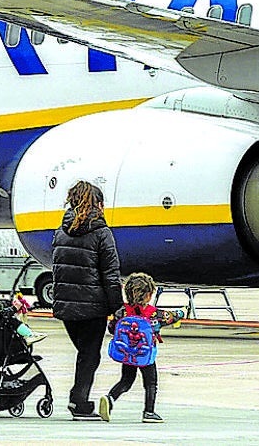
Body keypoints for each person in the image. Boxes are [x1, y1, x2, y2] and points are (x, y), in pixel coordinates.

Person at [51, 180, 122, 421]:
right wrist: (117, 307)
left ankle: (78, 399)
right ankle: (79, 403)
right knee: (90, 355)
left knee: (85, 353)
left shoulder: (60, 232)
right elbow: (110, 275)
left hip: (66, 305)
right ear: (99, 205)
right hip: (93, 306)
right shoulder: (102, 234)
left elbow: (57, 269)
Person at [99, 272, 184, 424]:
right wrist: (182, 312)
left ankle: (110, 398)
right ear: (149, 295)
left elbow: (112, 328)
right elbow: (170, 316)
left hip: (127, 354)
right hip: (145, 355)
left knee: (126, 380)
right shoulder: (153, 314)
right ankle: (149, 412)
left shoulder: (122, 312)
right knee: (151, 383)